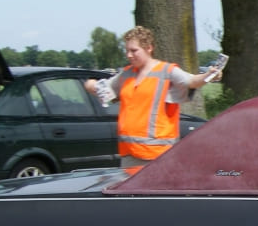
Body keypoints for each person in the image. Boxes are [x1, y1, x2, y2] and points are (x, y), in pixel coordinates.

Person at [85, 26, 222, 166]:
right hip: (129, 154)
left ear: (149, 48)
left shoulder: (166, 71)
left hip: (158, 155)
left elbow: (192, 81)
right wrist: (90, 84)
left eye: (134, 50)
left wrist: (209, 76)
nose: (129, 55)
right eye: (127, 50)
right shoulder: (125, 74)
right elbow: (104, 89)